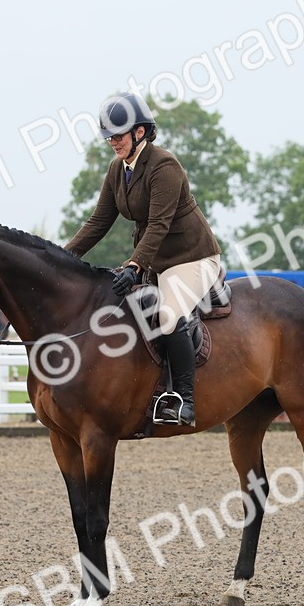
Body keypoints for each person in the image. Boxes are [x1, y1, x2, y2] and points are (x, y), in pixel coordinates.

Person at [65, 92, 222, 426]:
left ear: (139, 132)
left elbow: (159, 224)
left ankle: (184, 400)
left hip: (193, 259)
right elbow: (97, 223)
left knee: (167, 316)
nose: (112, 142)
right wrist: (60, 259)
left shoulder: (164, 166)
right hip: (156, 261)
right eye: (108, 137)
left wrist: (134, 265)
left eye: (117, 136)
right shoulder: (117, 169)